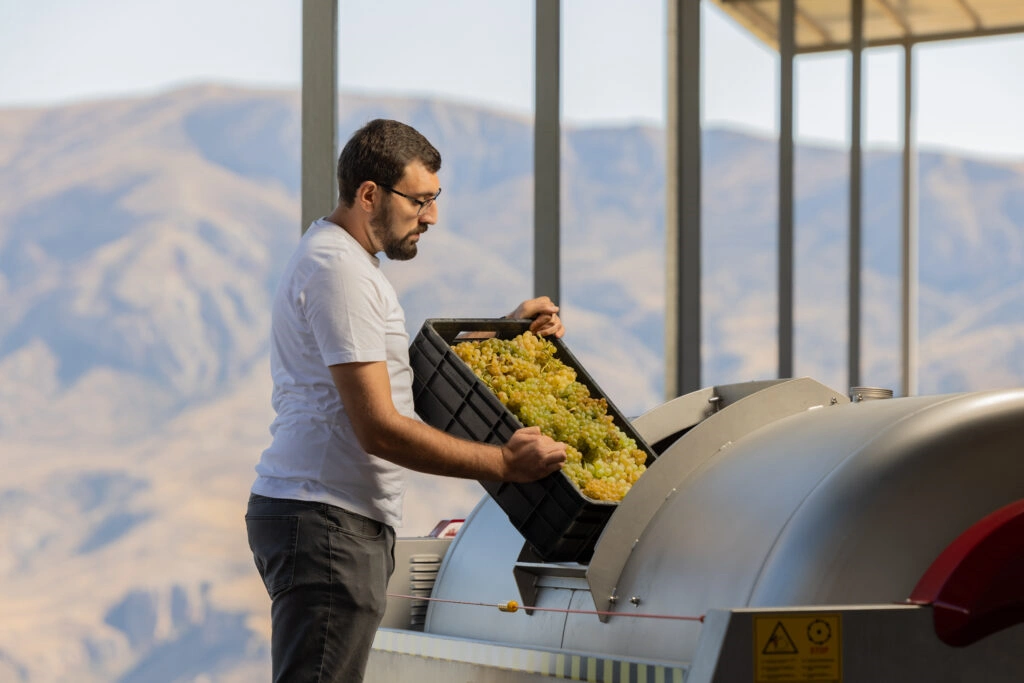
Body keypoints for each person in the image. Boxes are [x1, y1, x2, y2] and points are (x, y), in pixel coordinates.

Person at [245, 118, 568, 683]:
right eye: (419, 200)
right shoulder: (339, 272)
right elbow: (381, 428)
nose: (432, 216)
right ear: (369, 194)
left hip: (331, 519)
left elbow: (397, 383)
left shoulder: (348, 265)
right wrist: (504, 464)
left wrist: (506, 331)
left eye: (434, 199)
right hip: (327, 521)